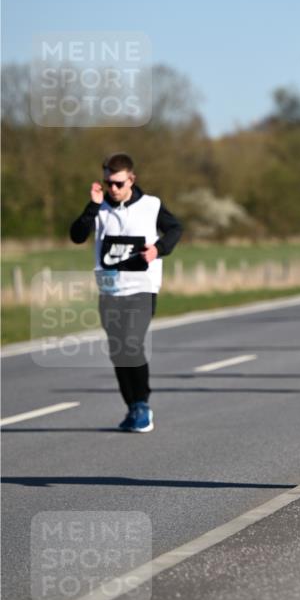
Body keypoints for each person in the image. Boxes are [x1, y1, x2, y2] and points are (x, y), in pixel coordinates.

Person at [70, 152, 183, 431]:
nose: (114, 189)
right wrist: (92, 208)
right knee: (118, 350)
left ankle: (143, 405)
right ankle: (132, 407)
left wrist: (158, 249)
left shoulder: (151, 205)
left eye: (119, 183)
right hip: (109, 290)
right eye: (109, 183)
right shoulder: (99, 208)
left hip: (142, 288)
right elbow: (76, 235)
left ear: (131, 179)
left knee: (131, 343)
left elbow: (175, 229)